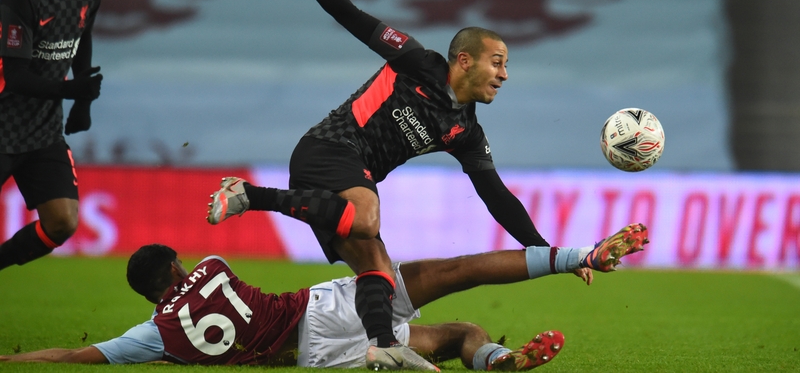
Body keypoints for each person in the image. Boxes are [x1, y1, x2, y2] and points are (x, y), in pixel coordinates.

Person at [206, 0, 589, 368]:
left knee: (379, 271)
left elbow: (497, 198)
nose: (504, 74)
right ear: (464, 60)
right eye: (497, 62)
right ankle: (249, 196)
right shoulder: (417, 61)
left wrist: (546, 249)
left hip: (343, 190)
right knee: (368, 218)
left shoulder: (466, 131)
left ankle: (385, 344)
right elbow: (351, 16)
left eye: (505, 66)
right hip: (327, 149)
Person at [0, 223, 649, 368]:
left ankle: (500, 361)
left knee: (457, 335)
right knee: (455, 270)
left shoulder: (156, 336)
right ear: (173, 265)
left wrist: (13, 363)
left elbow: (77, 354)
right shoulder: (213, 264)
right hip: (323, 308)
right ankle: (577, 258)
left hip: (315, 357)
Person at [0, 0, 103, 271]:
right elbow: (14, 77)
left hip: (44, 132)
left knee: (63, 222)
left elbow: (81, 39)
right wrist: (69, 90)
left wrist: (82, 103)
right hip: (4, 124)